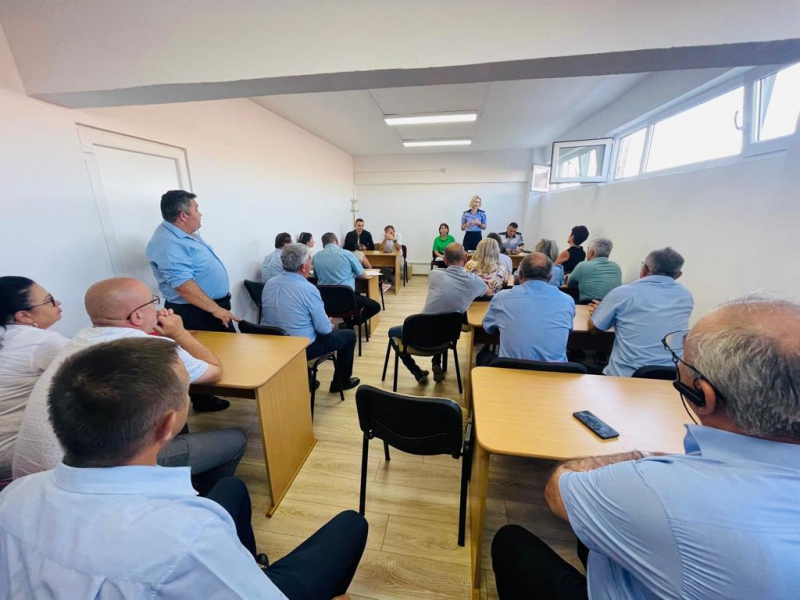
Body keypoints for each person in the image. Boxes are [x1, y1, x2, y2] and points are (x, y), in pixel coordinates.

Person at [0, 337, 368, 600]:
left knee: (233, 489)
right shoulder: (191, 536)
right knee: (352, 524)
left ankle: (246, 562)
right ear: (167, 425)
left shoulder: (16, 494)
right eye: (186, 394)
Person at [492, 294, 800, 600]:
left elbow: (559, 491)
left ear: (703, 397)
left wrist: (644, 456)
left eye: (681, 359)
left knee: (510, 540)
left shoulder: (655, 486)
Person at [12, 278, 246, 497]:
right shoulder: (154, 349)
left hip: (34, 482)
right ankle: (195, 499)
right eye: (153, 302)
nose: (157, 309)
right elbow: (214, 371)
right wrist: (179, 333)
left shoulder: (75, 342)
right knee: (234, 439)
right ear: (137, 316)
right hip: (93, 484)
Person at [146, 189, 239, 412]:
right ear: (183, 215)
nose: (200, 213)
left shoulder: (185, 233)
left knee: (225, 350)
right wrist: (215, 309)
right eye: (196, 209)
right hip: (194, 310)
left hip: (207, 307)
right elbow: (182, 284)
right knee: (198, 353)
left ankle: (216, 392)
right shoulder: (169, 242)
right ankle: (204, 399)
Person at [262, 244, 360, 393]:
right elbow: (324, 330)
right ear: (303, 267)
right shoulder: (308, 289)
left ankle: (307, 380)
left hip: (275, 344)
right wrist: (327, 323)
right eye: (309, 260)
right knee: (349, 335)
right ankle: (340, 382)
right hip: (301, 347)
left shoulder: (269, 284)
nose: (311, 264)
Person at [388, 243, 490, 384]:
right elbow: (489, 292)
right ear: (466, 258)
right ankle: (436, 362)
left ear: (445, 260)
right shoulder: (475, 282)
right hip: (447, 338)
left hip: (418, 335)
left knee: (392, 331)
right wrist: (477, 280)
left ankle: (416, 371)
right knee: (444, 320)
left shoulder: (434, 275)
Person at [0, 277, 68, 480]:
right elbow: (98, 371)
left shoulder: (7, 336)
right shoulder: (41, 342)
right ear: (24, 316)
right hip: (14, 453)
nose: (58, 303)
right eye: (50, 300)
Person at [589, 247, 693, 377]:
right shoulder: (686, 296)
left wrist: (599, 312)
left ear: (644, 269)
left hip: (625, 377)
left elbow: (594, 329)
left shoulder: (622, 293)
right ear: (678, 275)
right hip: (672, 376)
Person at [477, 253, 575, 366]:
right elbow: (569, 331)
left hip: (511, 369)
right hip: (556, 371)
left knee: (483, 356)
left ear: (520, 274)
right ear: (550, 277)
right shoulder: (567, 301)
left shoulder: (501, 298)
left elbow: (487, 327)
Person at [312, 232, 381, 326]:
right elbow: (363, 275)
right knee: (375, 306)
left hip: (325, 302)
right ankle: (350, 324)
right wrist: (352, 274)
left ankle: (348, 324)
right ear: (337, 241)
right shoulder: (347, 254)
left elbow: (315, 276)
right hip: (347, 301)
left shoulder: (316, 257)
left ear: (323, 244)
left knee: (346, 300)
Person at [567, 237, 622, 303]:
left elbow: (570, 284)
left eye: (588, 249)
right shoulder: (616, 267)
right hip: (610, 306)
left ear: (591, 252)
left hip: (588, 305)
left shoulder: (582, 265)